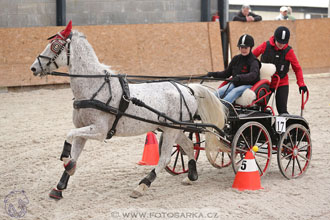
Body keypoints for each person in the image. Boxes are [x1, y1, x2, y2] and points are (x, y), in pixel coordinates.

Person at [252, 26, 308, 115]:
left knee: (282, 110)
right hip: (266, 81)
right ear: (275, 38)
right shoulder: (265, 46)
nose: (281, 45)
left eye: (284, 43)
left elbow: (297, 68)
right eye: (279, 42)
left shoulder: (289, 51)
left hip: (281, 82)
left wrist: (301, 83)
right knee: (258, 108)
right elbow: (251, 57)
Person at [207, 34, 260, 104]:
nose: (243, 50)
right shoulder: (236, 59)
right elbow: (226, 73)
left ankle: (222, 108)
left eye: (246, 48)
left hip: (249, 85)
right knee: (219, 92)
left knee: (233, 92)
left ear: (250, 47)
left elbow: (253, 75)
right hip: (236, 83)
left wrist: (239, 77)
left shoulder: (254, 61)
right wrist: (212, 74)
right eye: (241, 47)